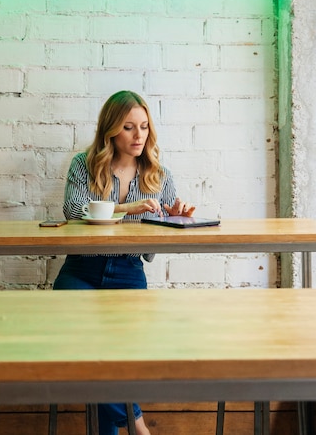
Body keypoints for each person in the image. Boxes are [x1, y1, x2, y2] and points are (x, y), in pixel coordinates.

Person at [53, 90, 195, 435]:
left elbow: (157, 239)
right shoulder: (83, 165)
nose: (138, 135)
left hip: (129, 271)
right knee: (94, 351)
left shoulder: (158, 175)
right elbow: (73, 211)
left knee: (114, 357)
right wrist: (126, 208)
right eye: (129, 127)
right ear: (111, 130)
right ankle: (138, 424)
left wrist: (173, 219)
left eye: (144, 127)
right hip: (81, 271)